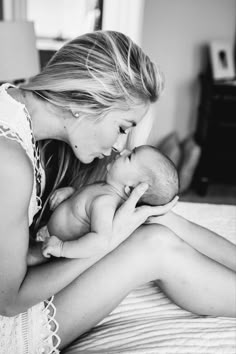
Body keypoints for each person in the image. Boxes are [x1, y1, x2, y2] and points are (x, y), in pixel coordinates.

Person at [0, 30, 235, 354]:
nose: (119, 144)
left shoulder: (13, 107)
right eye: (123, 126)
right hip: (8, 331)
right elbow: (9, 302)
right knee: (155, 244)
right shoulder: (9, 161)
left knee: (152, 221)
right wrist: (105, 243)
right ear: (88, 100)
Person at [39, 145, 179, 259]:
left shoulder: (106, 204)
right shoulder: (104, 187)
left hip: (57, 251)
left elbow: (99, 241)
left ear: (131, 188)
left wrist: (62, 248)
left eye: (130, 156)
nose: (123, 151)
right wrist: (71, 192)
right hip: (47, 236)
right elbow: (85, 203)